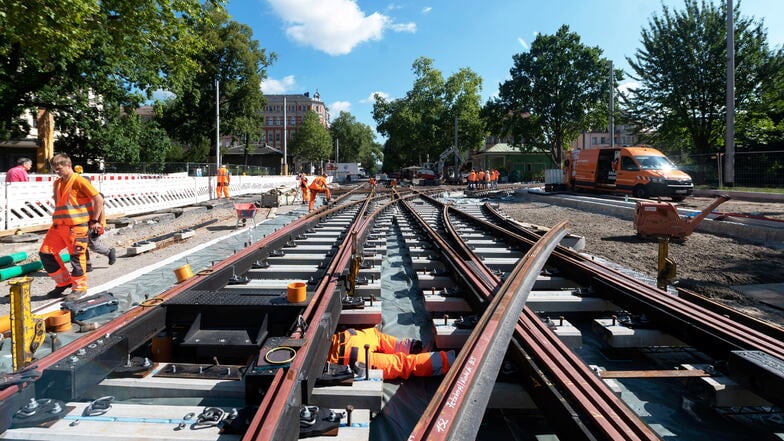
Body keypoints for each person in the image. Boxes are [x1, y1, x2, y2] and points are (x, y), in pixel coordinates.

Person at [39, 153, 104, 298]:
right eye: (55, 169)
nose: (57, 172)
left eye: (59, 168)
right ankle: (64, 282)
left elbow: (98, 199)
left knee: (76, 257)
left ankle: (79, 288)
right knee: (45, 253)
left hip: (76, 227)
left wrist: (94, 220)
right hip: (58, 227)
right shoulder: (57, 183)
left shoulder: (79, 181)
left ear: (68, 166)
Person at [328, 327, 455, 380]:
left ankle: (447, 361)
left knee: (403, 364)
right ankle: (412, 346)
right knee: (381, 338)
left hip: (349, 357)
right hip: (350, 336)